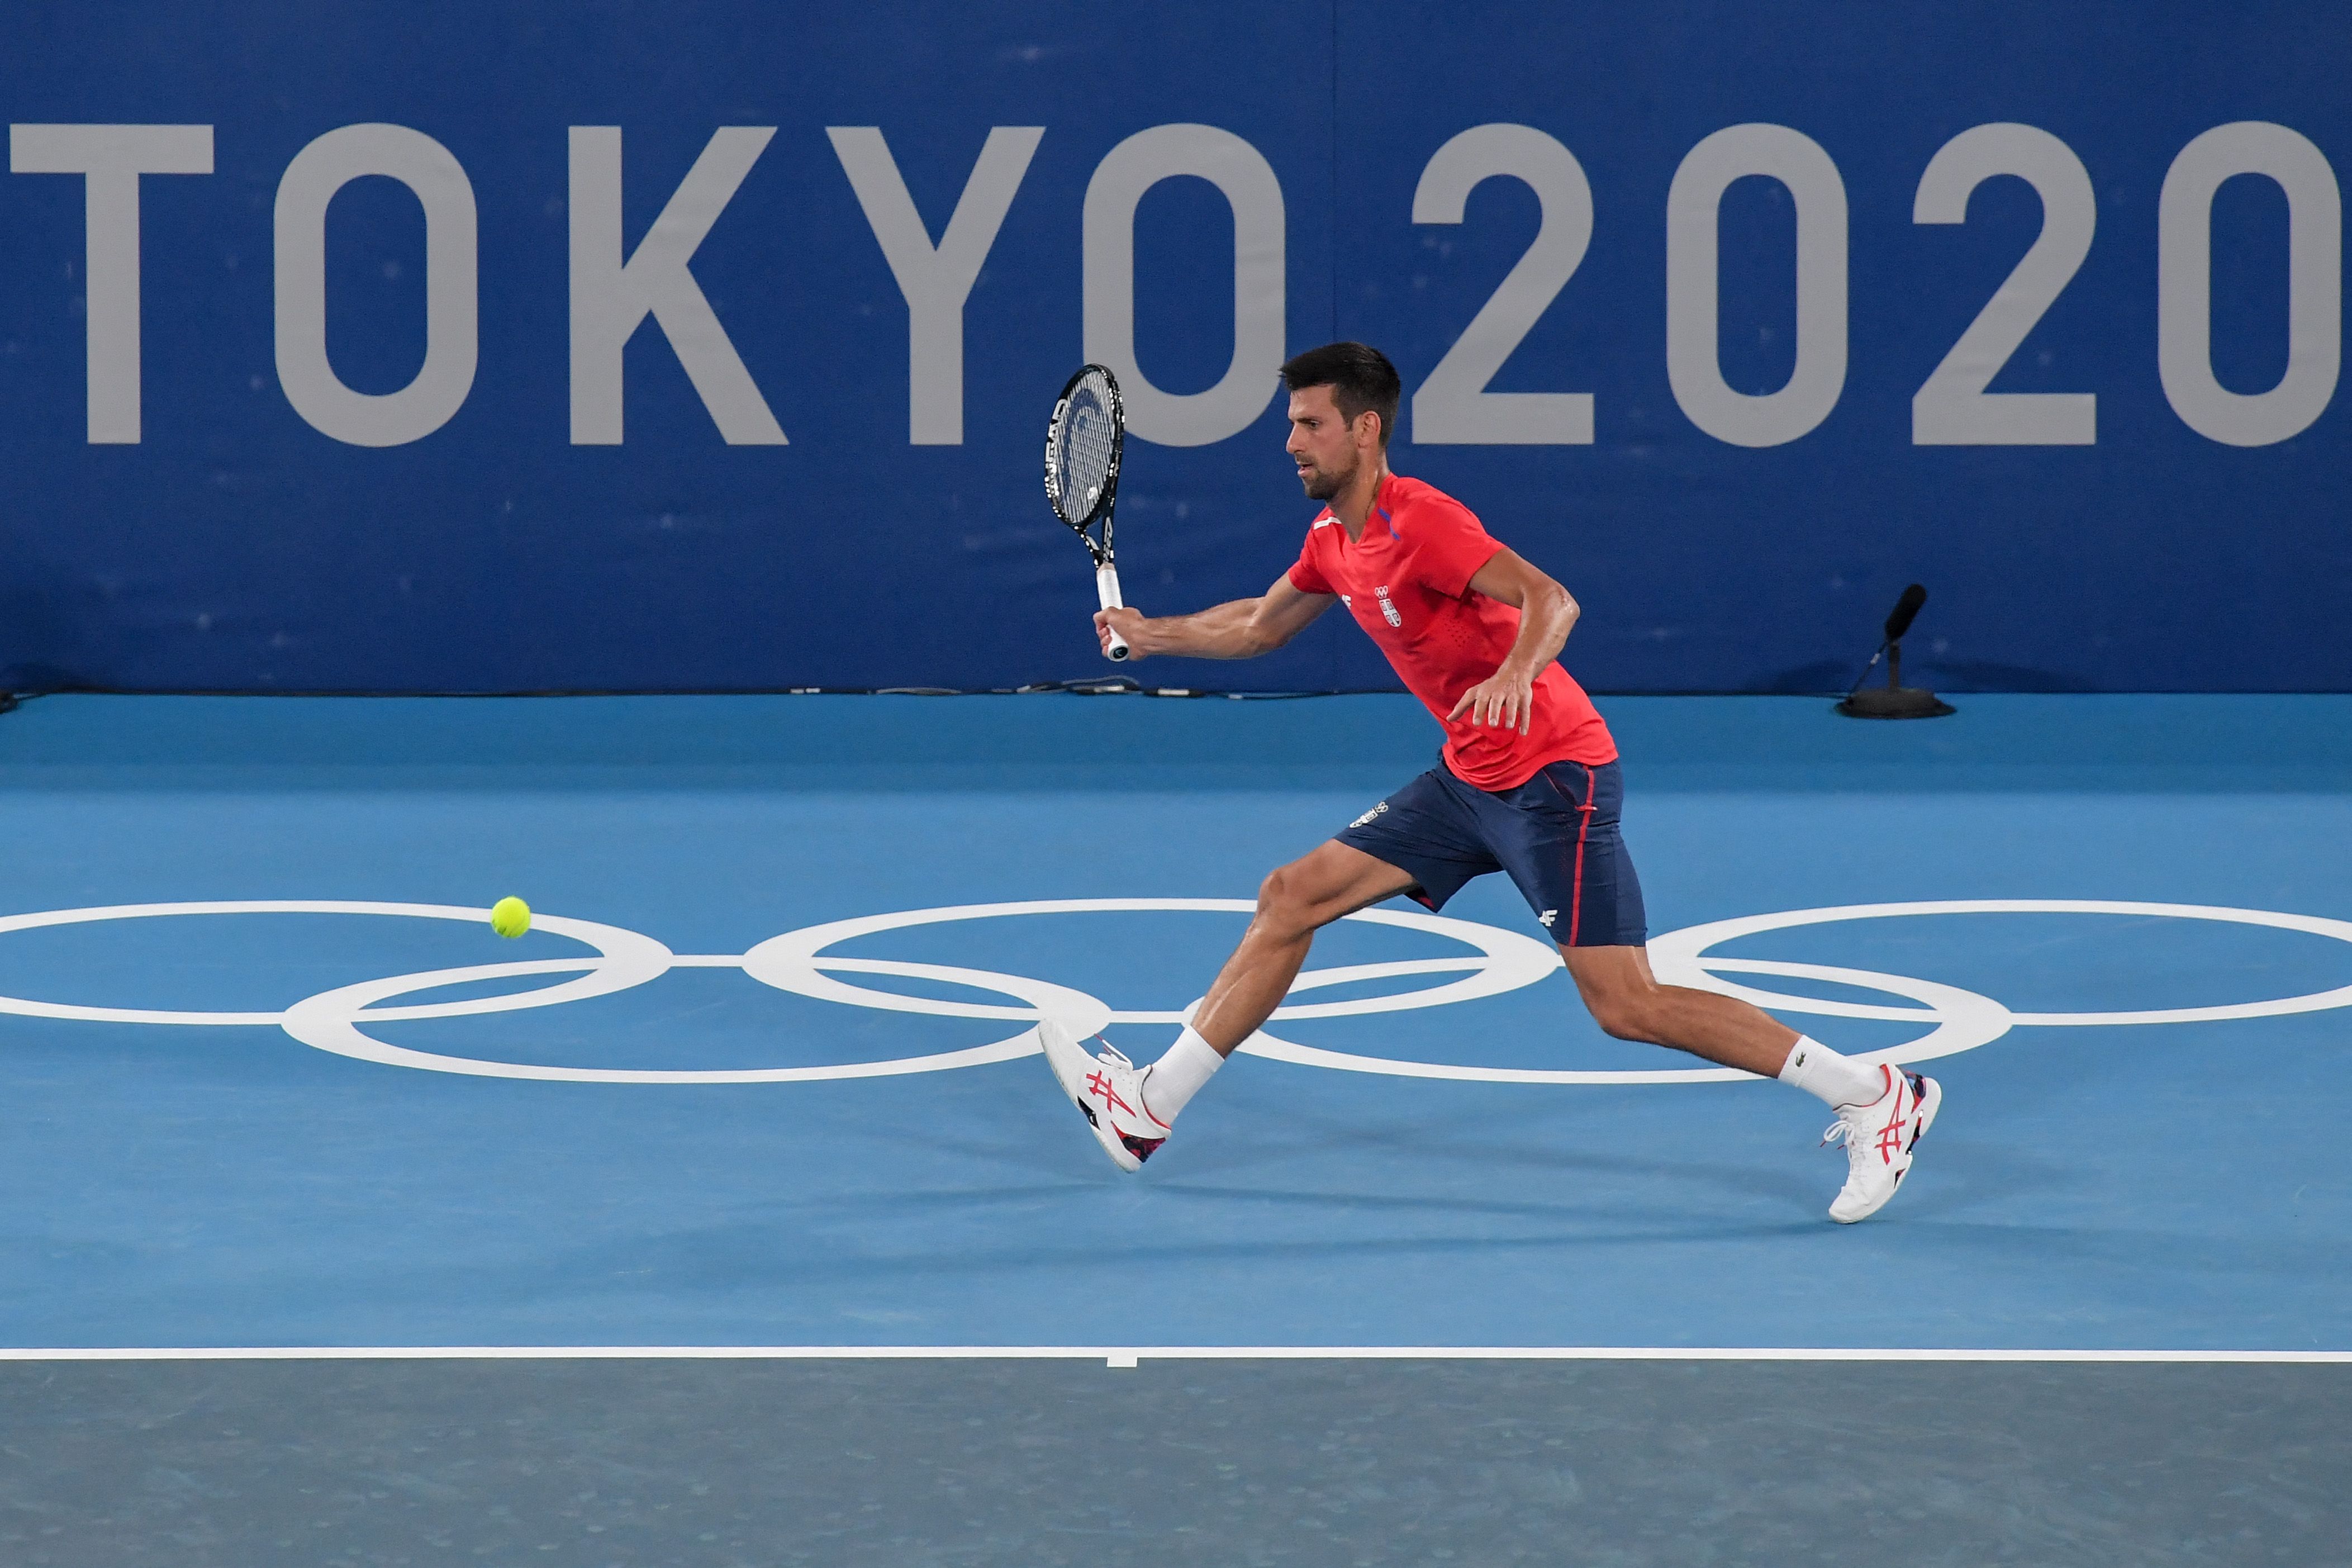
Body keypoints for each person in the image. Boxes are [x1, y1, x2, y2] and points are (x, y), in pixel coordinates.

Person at [1038, 342, 1938, 1223]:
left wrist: (1513, 672)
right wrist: (1153, 634)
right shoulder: (1331, 539)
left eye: (1310, 425)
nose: (1291, 443)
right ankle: (1149, 1107)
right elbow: (1258, 627)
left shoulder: (1421, 521)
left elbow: (1552, 600)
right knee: (1291, 896)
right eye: (1291, 424)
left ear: (1365, 429)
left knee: (1626, 1003)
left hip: (1551, 775)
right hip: (1468, 778)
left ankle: (1873, 1094)